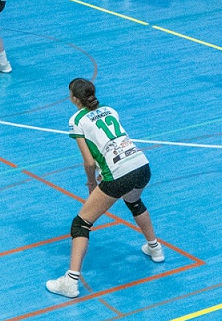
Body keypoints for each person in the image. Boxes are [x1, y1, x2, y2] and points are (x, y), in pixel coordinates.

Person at [46, 78, 165, 298]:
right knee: (134, 201)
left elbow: (89, 162)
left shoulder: (76, 120)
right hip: (141, 164)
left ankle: (71, 282)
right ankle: (155, 248)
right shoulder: (110, 110)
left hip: (118, 174)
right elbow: (112, 143)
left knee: (81, 223)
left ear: (74, 99)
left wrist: (91, 182)